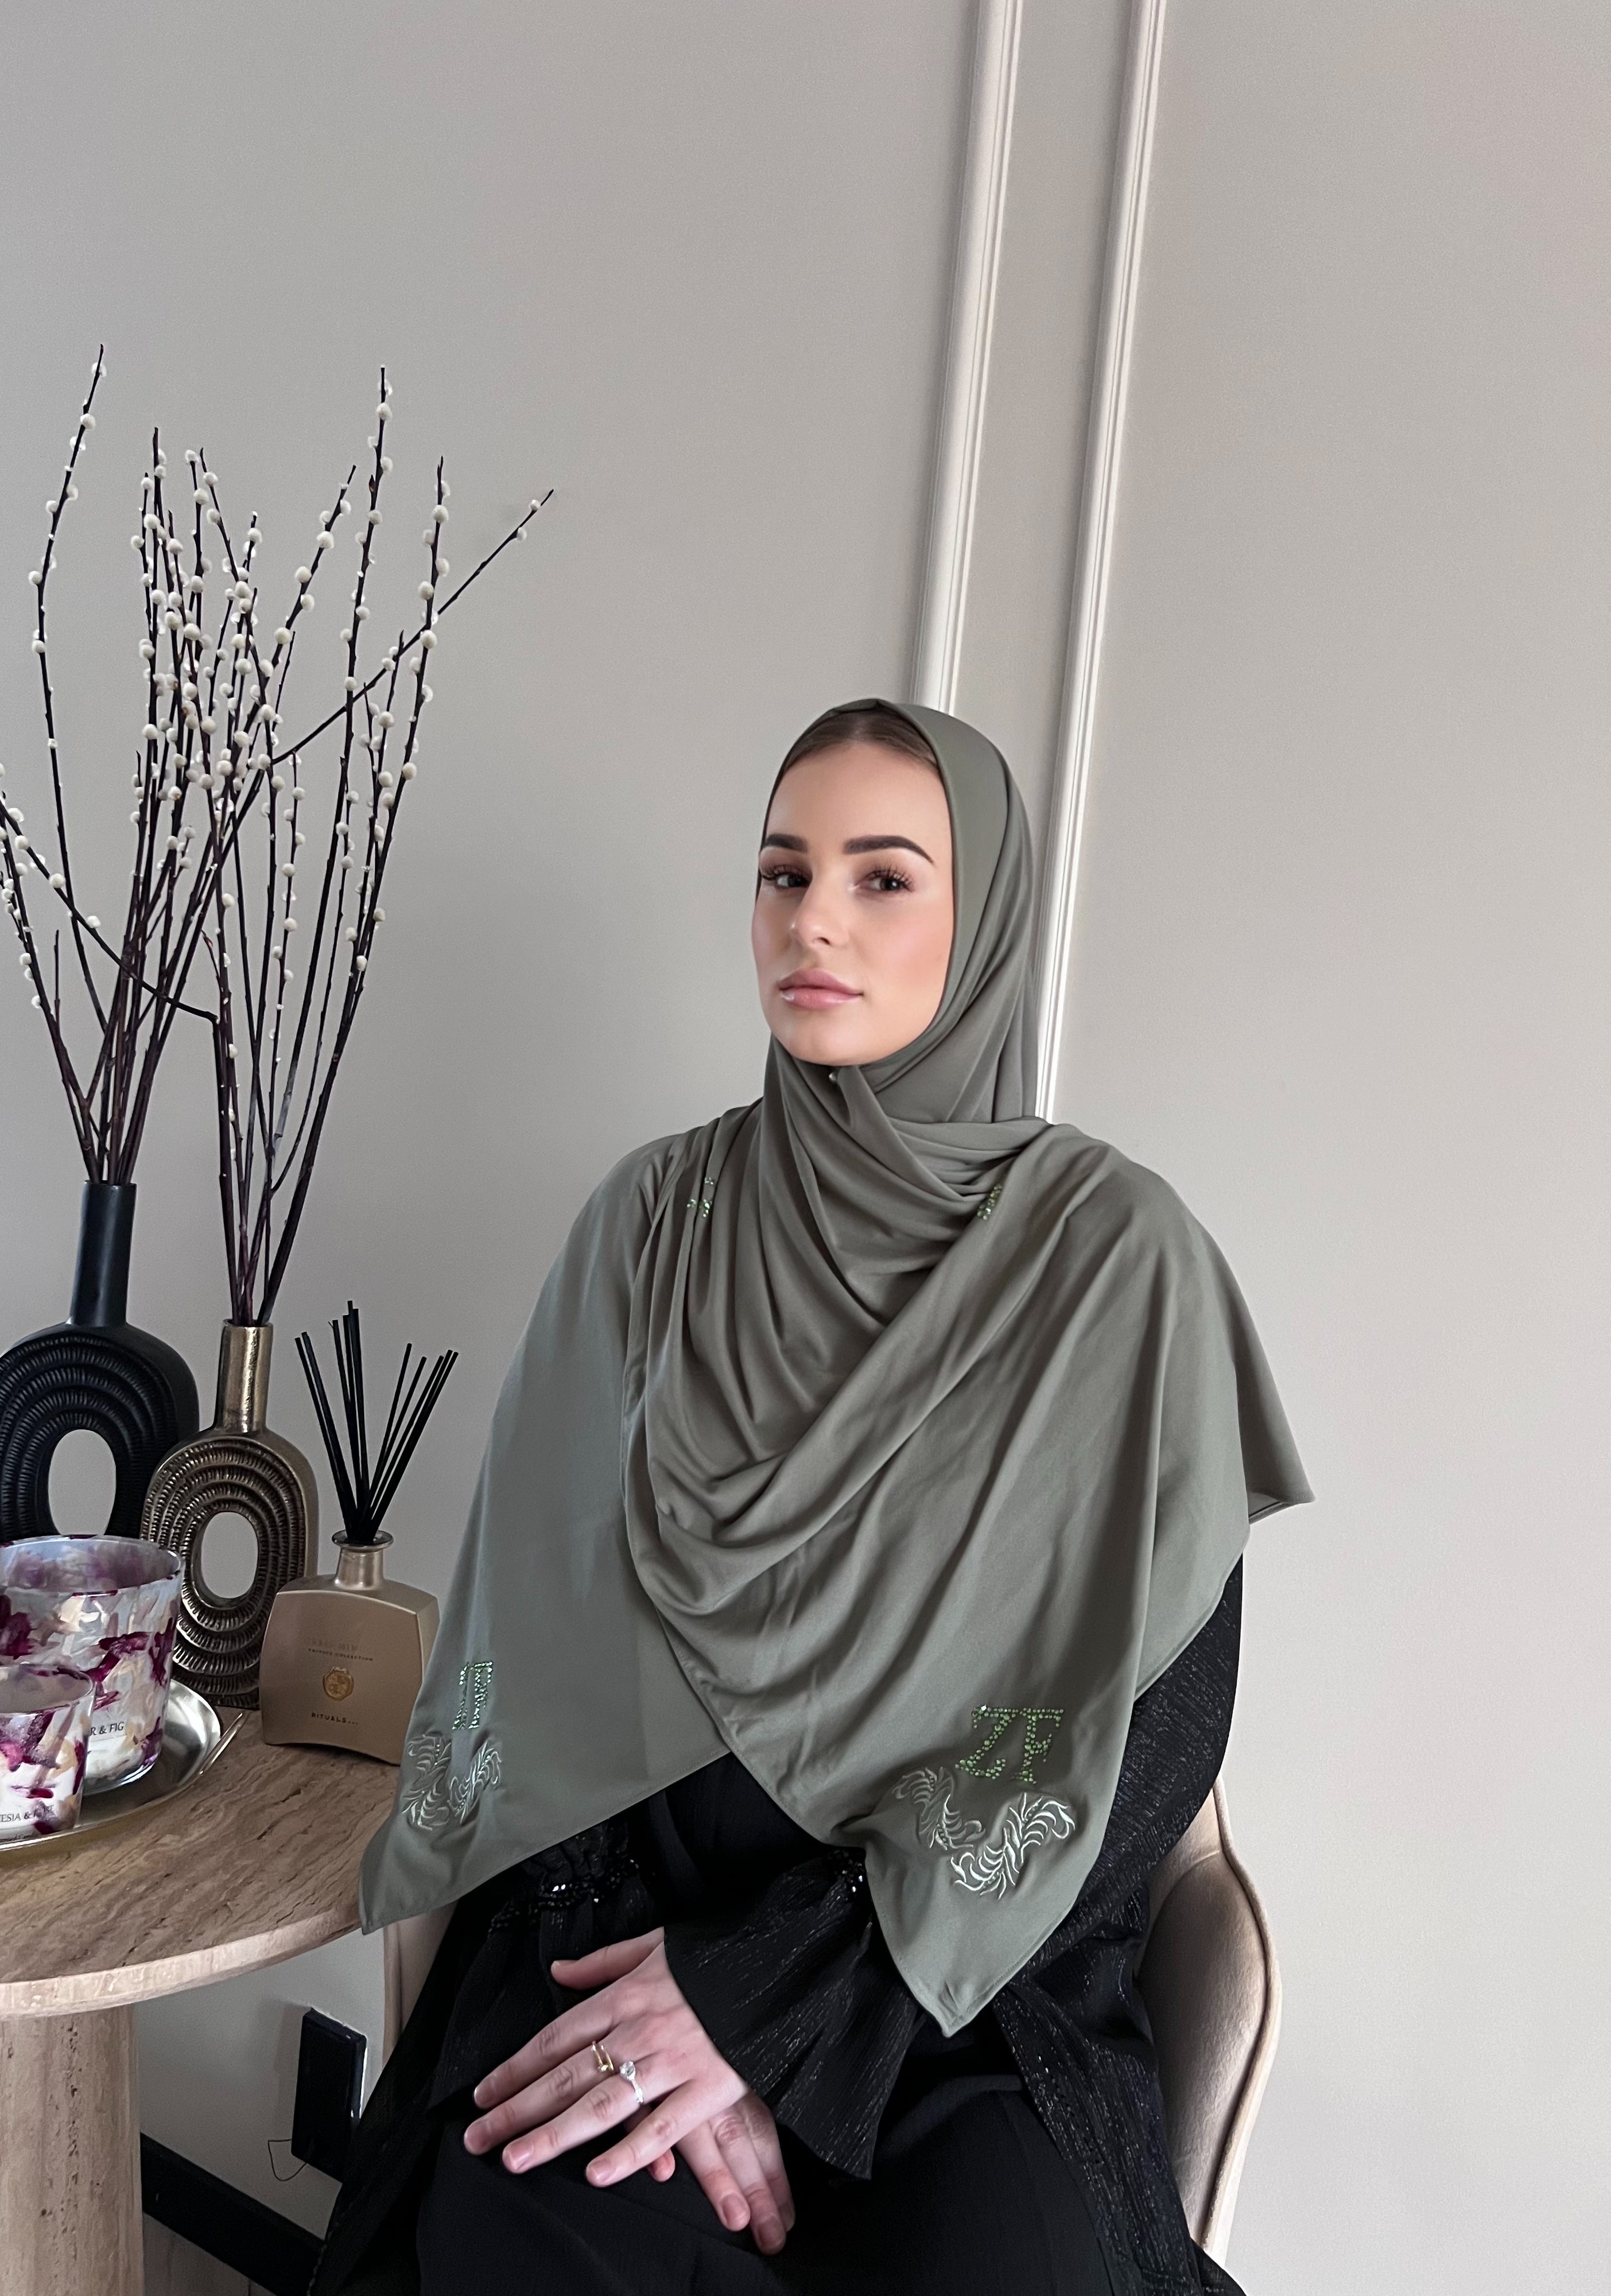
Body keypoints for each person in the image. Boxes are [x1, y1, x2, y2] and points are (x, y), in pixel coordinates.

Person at [313, 700, 1310, 2296]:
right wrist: (676, 2010)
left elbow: (1150, 1731)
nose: (813, 921)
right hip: (629, 1936)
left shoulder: (1119, 1264)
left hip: (966, 1989)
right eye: (784, 873)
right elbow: (534, 1649)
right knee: (535, 2229)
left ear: (983, 922)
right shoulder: (652, 1224)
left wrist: (769, 2004)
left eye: (883, 877)